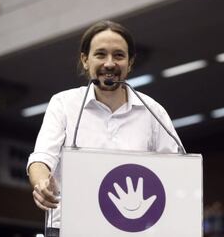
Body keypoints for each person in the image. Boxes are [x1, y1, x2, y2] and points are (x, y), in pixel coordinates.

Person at [26, 20, 181, 236]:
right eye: (100, 54)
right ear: (85, 60)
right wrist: (42, 184)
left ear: (130, 62)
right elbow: (41, 158)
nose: (110, 63)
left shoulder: (152, 110)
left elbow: (178, 170)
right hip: (70, 228)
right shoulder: (64, 104)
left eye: (118, 55)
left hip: (134, 229)